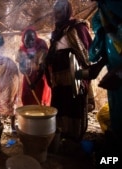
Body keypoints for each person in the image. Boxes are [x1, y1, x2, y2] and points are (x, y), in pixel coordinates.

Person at [45, 0, 92, 141]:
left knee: (73, 103)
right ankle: (61, 132)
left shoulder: (77, 27)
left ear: (67, 11)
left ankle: (74, 135)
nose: (56, 14)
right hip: (58, 76)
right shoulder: (56, 31)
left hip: (73, 75)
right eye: (55, 11)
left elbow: (86, 51)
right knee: (60, 102)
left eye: (59, 10)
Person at [88, 0, 122, 155]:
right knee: (116, 118)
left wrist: (119, 72)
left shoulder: (116, 5)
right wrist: (99, 65)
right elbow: (111, 42)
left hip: (117, 75)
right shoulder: (102, 10)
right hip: (115, 79)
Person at [16, 27, 51, 106]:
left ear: (35, 39)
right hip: (27, 78)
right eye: (27, 40)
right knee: (25, 98)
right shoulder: (21, 51)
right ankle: (28, 117)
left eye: (32, 39)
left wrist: (35, 83)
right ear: (23, 39)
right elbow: (21, 67)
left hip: (39, 78)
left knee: (38, 99)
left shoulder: (41, 49)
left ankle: (38, 117)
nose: (30, 42)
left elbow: (42, 69)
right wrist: (22, 69)